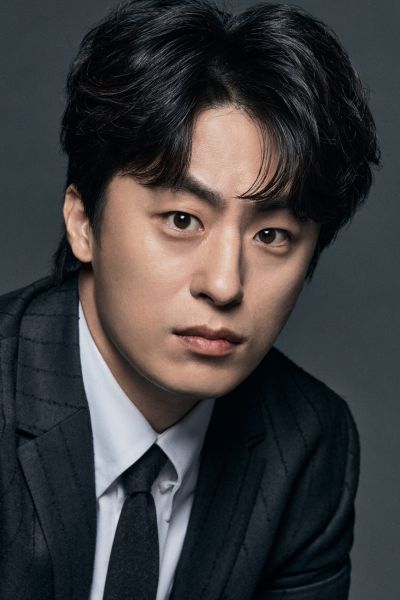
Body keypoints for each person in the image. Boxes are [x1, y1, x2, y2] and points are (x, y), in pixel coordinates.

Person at [0, 1, 380, 598]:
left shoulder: (307, 441)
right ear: (83, 221)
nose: (224, 284)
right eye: (182, 220)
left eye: (271, 235)